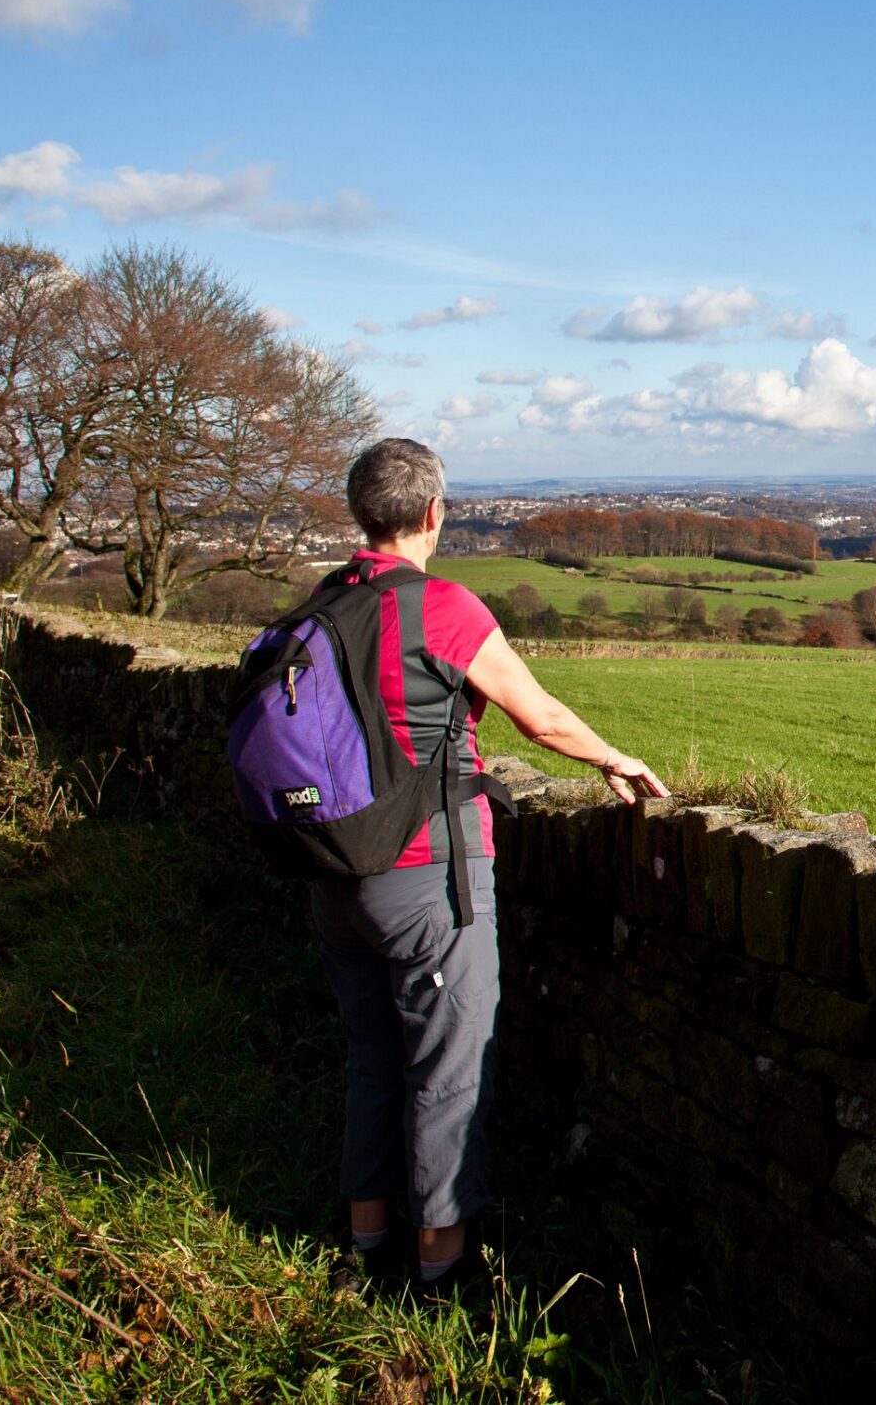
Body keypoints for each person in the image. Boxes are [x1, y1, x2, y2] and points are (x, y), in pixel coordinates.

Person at [311, 438, 666, 1290]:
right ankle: (440, 1270)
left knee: (371, 1058)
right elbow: (537, 717)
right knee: (447, 1065)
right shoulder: (442, 607)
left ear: (363, 513)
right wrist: (613, 759)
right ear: (435, 512)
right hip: (427, 871)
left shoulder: (323, 601)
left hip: (330, 869)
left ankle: (364, 1247)